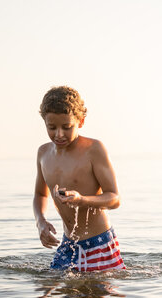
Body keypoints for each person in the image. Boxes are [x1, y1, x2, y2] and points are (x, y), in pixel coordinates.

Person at [33, 86, 125, 271]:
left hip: (99, 244)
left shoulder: (94, 149)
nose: (59, 134)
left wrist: (81, 200)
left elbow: (114, 199)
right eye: (52, 127)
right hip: (68, 246)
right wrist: (40, 221)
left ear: (81, 121)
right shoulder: (43, 153)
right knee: (47, 295)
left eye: (67, 127)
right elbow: (40, 195)